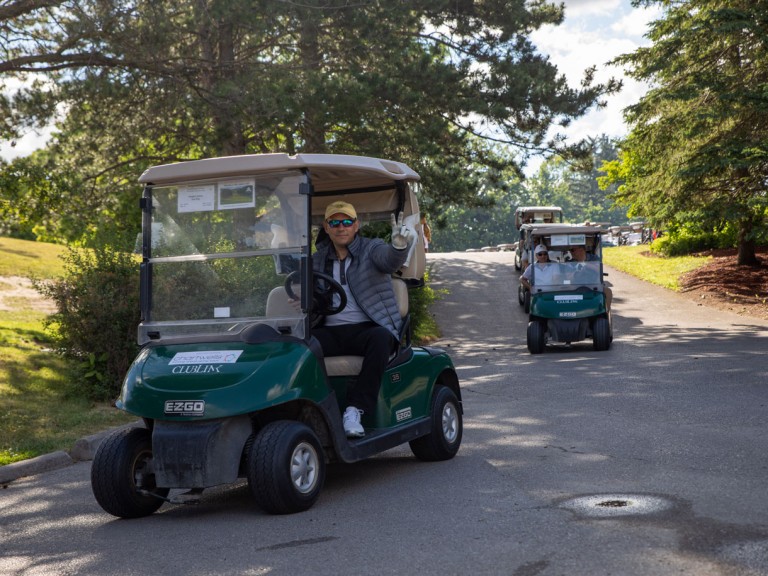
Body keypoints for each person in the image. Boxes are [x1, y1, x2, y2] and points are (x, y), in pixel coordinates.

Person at [312, 201, 415, 438]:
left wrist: (398, 247)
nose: (341, 227)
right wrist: (304, 302)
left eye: (347, 221)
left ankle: (355, 410)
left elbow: (388, 260)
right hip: (331, 330)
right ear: (326, 228)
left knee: (380, 339)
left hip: (369, 328)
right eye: (335, 222)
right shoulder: (318, 260)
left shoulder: (372, 249)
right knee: (299, 345)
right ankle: (313, 406)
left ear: (356, 225)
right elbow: (312, 296)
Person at [570, 245, 613, 311]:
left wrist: (584, 263)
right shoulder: (571, 262)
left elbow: (598, 269)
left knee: (608, 292)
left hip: (594, 285)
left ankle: (605, 313)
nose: (571, 252)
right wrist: (577, 272)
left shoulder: (594, 258)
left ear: (581, 250)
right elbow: (569, 276)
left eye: (573, 250)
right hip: (576, 286)